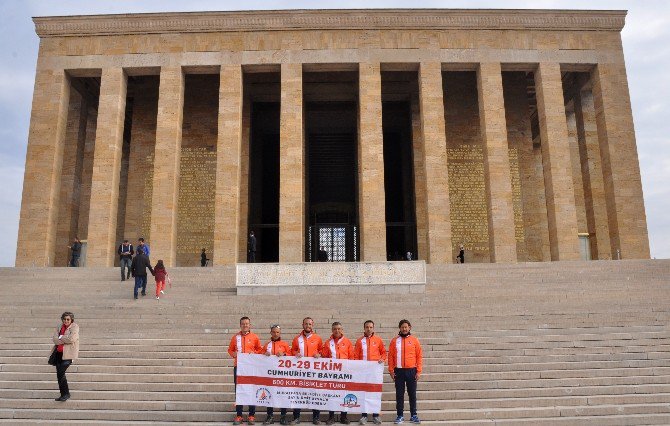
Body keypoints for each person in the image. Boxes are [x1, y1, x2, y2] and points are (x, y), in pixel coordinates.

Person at [228, 316, 263, 425]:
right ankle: (239, 415)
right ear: (240, 325)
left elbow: (260, 350)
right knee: (239, 390)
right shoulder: (235, 337)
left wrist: (255, 354)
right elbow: (230, 349)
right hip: (239, 367)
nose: (245, 325)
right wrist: (233, 354)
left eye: (247, 324)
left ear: (250, 325)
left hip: (251, 367)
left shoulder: (254, 337)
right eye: (243, 324)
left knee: (252, 390)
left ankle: (251, 415)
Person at [388, 320, 423, 424]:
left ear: (409, 327)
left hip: (412, 370)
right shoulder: (394, 341)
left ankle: (414, 415)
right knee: (399, 394)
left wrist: (419, 371)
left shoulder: (414, 340)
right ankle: (400, 415)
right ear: (399, 328)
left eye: (406, 327)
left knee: (412, 394)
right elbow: (390, 356)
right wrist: (391, 370)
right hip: (398, 371)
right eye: (402, 327)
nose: (404, 329)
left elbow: (419, 356)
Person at [291, 317, 323, 425]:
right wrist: (295, 353)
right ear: (302, 325)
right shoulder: (297, 338)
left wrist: (319, 354)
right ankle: (296, 417)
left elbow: (322, 350)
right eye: (306, 324)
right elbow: (292, 350)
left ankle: (316, 417)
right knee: (298, 393)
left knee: (315, 393)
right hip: (300, 370)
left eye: (310, 324)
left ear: (312, 325)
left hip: (314, 371)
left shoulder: (317, 338)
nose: (308, 326)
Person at [354, 320, 386, 425]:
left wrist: (382, 358)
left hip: (374, 371)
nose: (369, 329)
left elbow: (383, 353)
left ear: (373, 328)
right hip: (363, 372)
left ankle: (376, 416)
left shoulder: (378, 340)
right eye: (367, 327)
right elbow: (356, 356)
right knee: (363, 393)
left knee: (375, 393)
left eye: (371, 327)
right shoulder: (359, 341)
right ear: (364, 328)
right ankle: (364, 416)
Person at [321, 322, 354, 425]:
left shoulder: (347, 342)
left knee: (344, 394)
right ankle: (331, 417)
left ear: (342, 330)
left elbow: (351, 357)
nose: (337, 331)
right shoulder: (327, 343)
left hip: (344, 374)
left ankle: (343, 416)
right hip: (332, 374)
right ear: (332, 330)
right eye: (335, 329)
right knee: (332, 395)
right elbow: (324, 357)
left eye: (339, 329)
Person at [262, 324, 292, 425]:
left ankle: (283, 416)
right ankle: (270, 416)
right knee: (269, 394)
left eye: (277, 332)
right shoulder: (267, 345)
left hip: (282, 375)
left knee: (283, 395)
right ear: (270, 333)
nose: (275, 334)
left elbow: (291, 355)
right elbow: (259, 356)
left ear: (280, 333)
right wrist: (264, 354)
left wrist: (284, 354)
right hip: (269, 375)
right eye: (274, 332)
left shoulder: (284, 344)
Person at [48, 311, 79, 401]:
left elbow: (72, 339)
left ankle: (66, 394)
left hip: (68, 355)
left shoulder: (75, 327)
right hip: (58, 354)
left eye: (68, 319)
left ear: (71, 320)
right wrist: (64, 338)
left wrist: (60, 337)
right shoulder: (59, 326)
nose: (66, 321)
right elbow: (54, 339)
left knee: (61, 372)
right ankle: (64, 394)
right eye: (64, 319)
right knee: (59, 375)